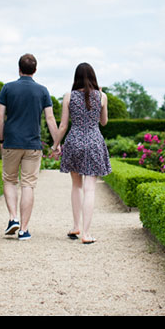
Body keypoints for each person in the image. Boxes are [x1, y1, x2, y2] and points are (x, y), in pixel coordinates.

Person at [0, 53, 60, 241]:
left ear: (19, 68)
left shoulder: (7, 88)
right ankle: (23, 229)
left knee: (9, 180)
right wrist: (56, 144)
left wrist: (1, 139)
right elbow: (50, 118)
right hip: (33, 144)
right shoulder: (42, 91)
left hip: (11, 142)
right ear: (35, 70)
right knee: (28, 185)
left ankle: (13, 218)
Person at [51, 62, 111, 244]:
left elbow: (63, 125)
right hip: (93, 141)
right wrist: (100, 100)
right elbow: (104, 122)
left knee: (76, 186)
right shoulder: (102, 96)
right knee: (90, 188)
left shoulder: (69, 96)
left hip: (74, 140)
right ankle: (86, 233)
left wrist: (55, 145)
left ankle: (76, 226)